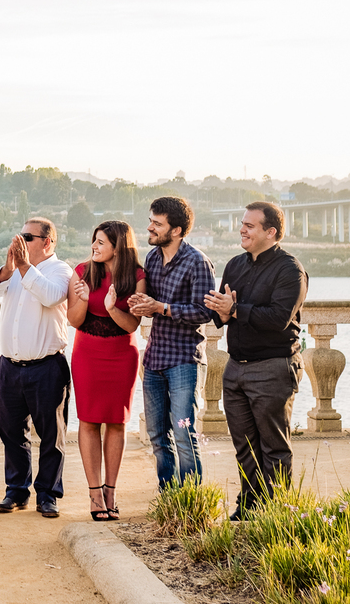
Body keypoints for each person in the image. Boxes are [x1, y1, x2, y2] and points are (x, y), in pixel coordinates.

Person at [204, 202, 307, 521]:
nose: (242, 229)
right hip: (235, 368)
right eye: (242, 223)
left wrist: (235, 310)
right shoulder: (235, 265)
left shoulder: (290, 270)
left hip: (274, 366)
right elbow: (222, 313)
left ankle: (277, 513)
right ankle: (249, 506)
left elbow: (278, 318)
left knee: (274, 446)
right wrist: (221, 310)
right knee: (245, 445)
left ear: (271, 232)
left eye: (250, 225)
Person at [127, 197, 216, 489]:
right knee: (156, 435)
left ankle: (189, 501)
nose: (150, 227)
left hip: (184, 361)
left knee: (183, 433)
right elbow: (151, 303)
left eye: (157, 223)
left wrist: (161, 307)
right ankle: (169, 498)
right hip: (154, 360)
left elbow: (205, 312)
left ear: (176, 231)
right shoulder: (152, 258)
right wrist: (140, 304)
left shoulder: (197, 262)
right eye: (151, 220)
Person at [0, 217, 74, 518]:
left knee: (52, 435)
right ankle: (16, 490)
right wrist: (10, 267)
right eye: (21, 235)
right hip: (9, 366)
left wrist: (25, 267)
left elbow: (51, 296)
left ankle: (48, 494)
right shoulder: (15, 270)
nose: (21, 241)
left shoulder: (61, 270)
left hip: (46, 367)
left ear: (47, 241)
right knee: (10, 432)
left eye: (28, 237)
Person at [68, 220, 145, 521]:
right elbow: (74, 320)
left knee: (117, 422)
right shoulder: (81, 272)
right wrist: (84, 301)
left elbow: (133, 325)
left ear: (118, 246)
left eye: (101, 242)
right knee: (88, 420)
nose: (94, 247)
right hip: (87, 352)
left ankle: (111, 491)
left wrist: (113, 308)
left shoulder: (137, 276)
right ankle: (94, 494)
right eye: (94, 241)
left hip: (122, 353)